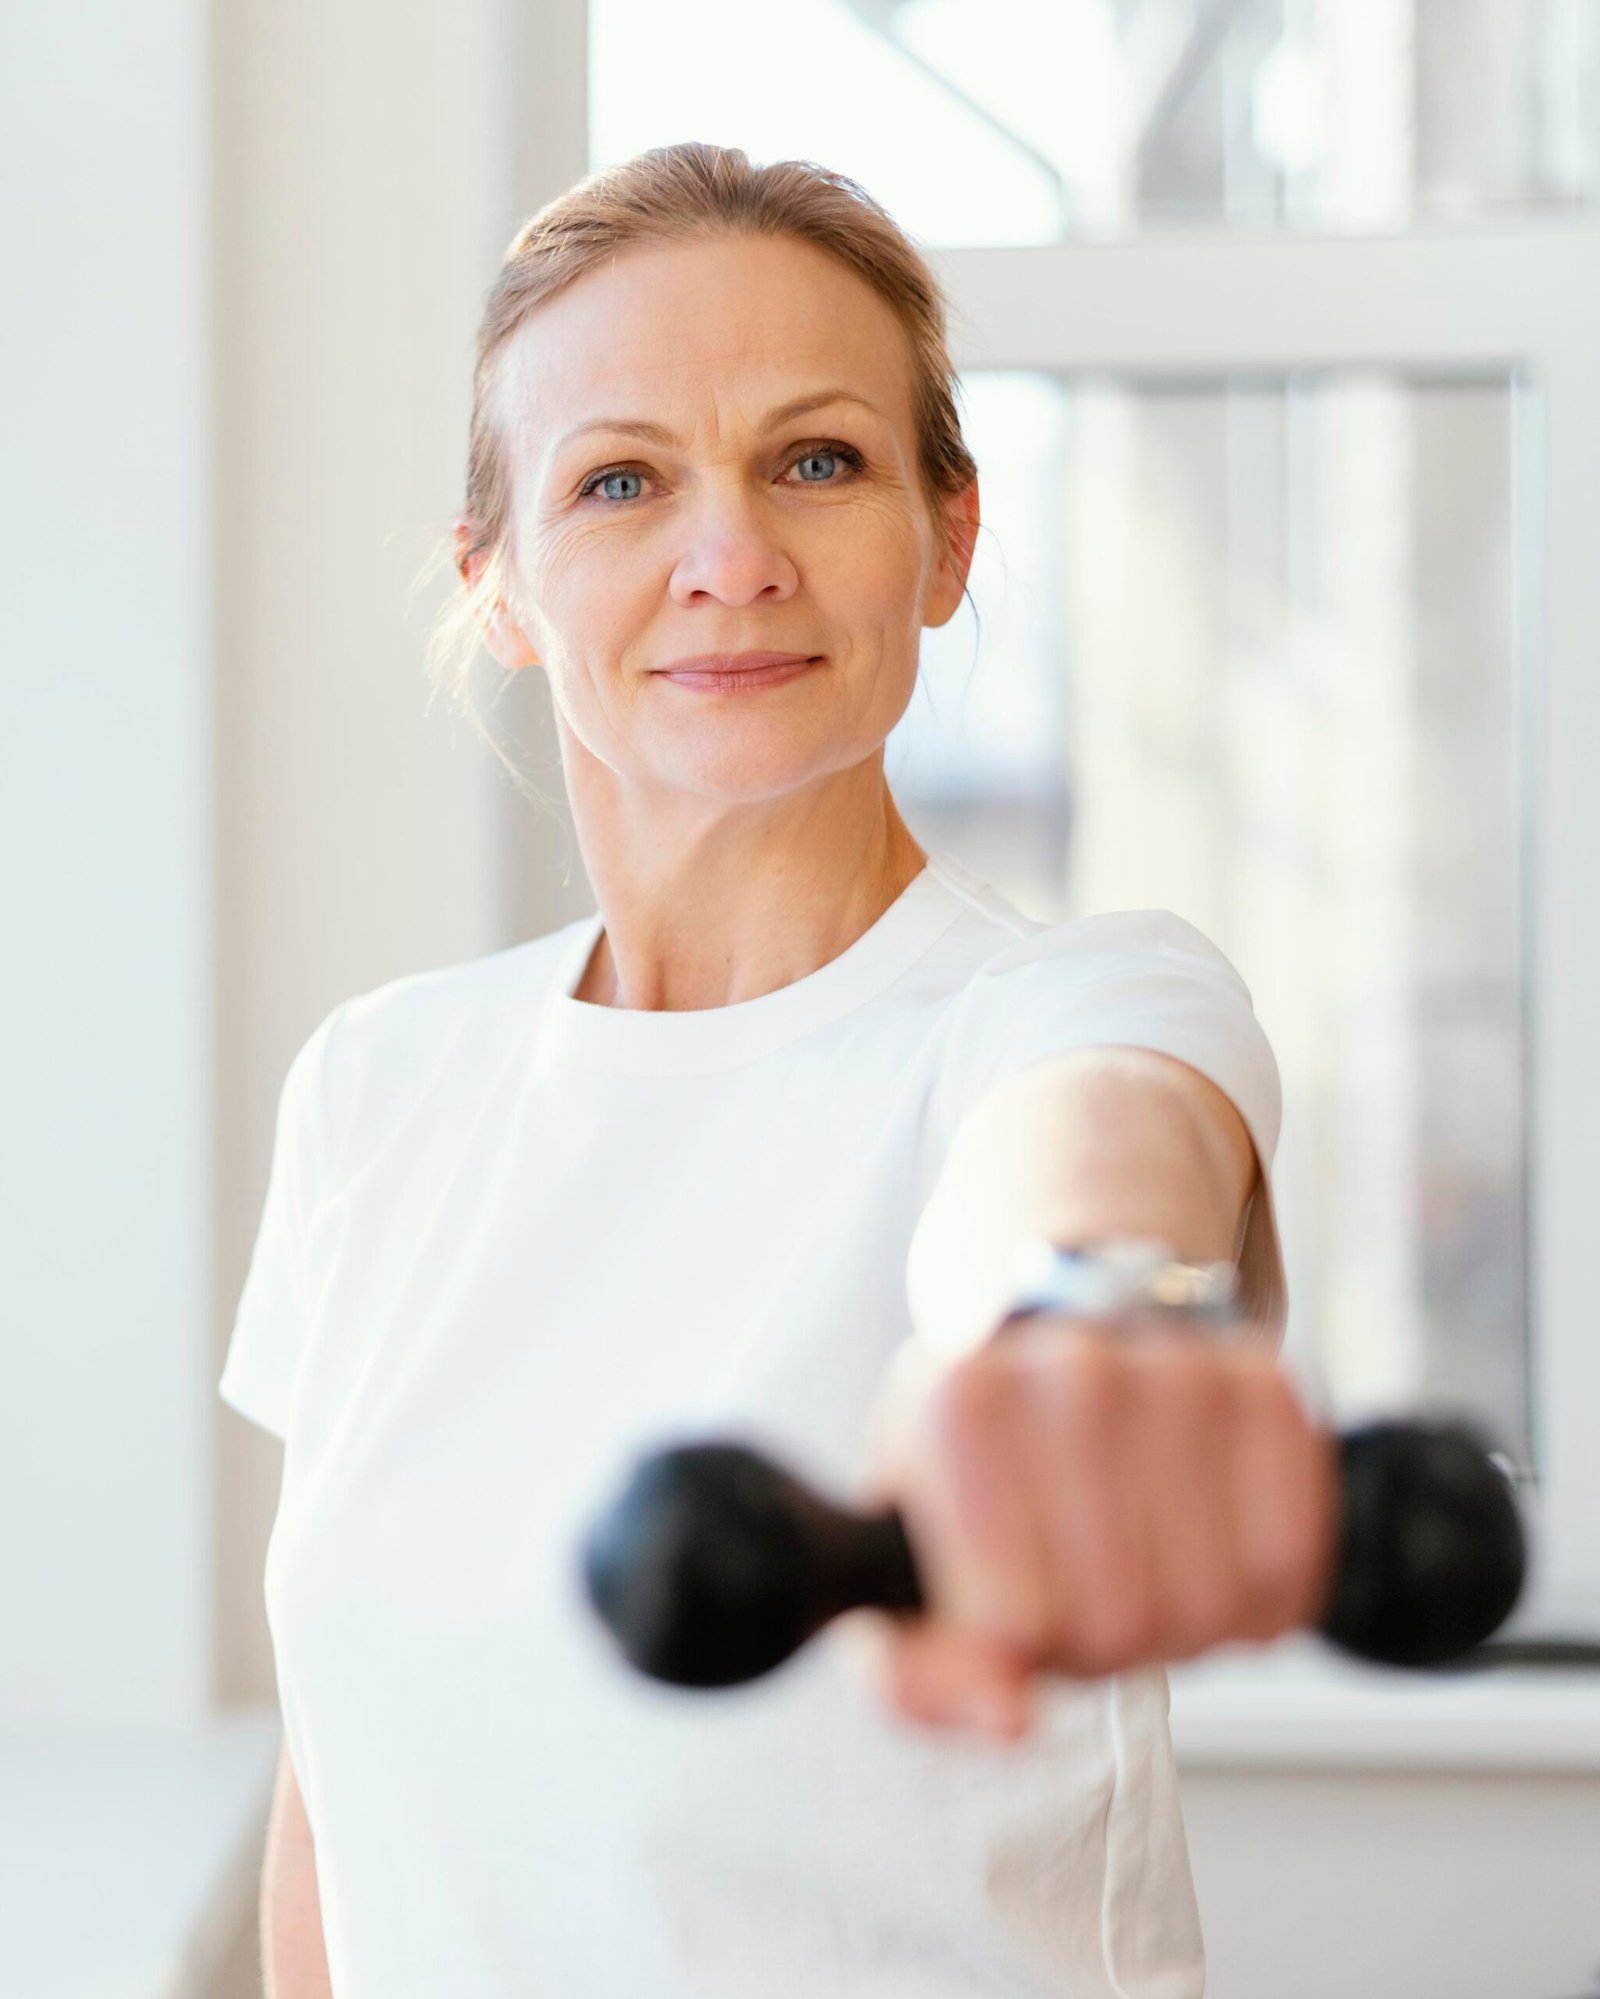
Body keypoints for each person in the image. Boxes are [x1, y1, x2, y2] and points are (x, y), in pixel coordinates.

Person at [220, 141, 1336, 1997]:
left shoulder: (1070, 1007)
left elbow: (1092, 1165)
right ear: (502, 588)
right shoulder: (376, 1089)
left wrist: (1066, 1331)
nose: (731, 559)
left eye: (817, 461)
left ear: (947, 539)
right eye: (621, 480)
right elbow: (336, 1799)